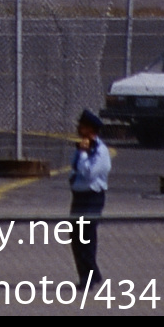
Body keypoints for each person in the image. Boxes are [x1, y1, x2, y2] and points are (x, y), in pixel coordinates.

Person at [68, 109, 111, 287]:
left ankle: (90, 276)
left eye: (82, 126)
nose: (79, 128)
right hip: (79, 196)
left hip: (93, 197)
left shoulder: (100, 151)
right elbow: (74, 168)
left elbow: (90, 173)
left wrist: (84, 154)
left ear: (90, 129)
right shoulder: (81, 148)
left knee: (86, 234)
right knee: (75, 236)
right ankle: (87, 274)